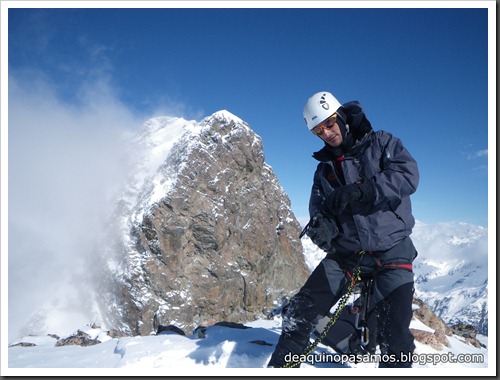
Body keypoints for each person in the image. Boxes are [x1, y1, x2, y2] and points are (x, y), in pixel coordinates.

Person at [267, 91, 419, 368]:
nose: (325, 133)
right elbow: (318, 209)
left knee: (394, 338)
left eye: (329, 123)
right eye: (317, 130)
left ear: (342, 116)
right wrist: (321, 226)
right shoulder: (324, 169)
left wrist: (365, 190)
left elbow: (407, 175)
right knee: (298, 315)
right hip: (347, 255)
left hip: (392, 252)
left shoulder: (382, 143)